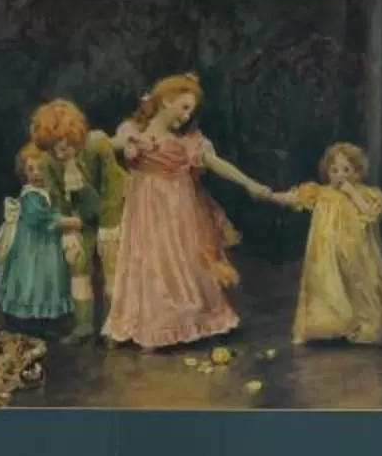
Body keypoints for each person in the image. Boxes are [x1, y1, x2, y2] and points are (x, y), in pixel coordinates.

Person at [106, 73, 269, 351]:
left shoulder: (188, 141)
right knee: (149, 260)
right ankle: (150, 323)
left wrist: (250, 184)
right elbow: (110, 144)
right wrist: (131, 142)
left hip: (178, 209)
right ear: (166, 101)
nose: (186, 116)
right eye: (183, 107)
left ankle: (185, 319)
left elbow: (215, 163)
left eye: (190, 111)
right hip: (145, 210)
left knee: (180, 258)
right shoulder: (133, 129)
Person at [276, 142, 382, 347]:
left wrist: (352, 193)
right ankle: (330, 326)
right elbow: (295, 197)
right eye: (334, 170)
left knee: (358, 285)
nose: (340, 175)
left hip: (355, 251)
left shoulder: (366, 194)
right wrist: (270, 195)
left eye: (346, 170)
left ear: (357, 172)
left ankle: (365, 326)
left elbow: (371, 214)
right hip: (326, 252)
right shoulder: (321, 193)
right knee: (327, 287)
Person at [28, 98, 127, 336]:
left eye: (63, 145)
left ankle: (115, 326)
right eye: (53, 148)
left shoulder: (97, 146)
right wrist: (69, 232)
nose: (59, 153)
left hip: (115, 213)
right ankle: (83, 326)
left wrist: (109, 226)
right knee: (78, 265)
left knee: (113, 266)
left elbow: (113, 188)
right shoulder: (50, 162)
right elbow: (57, 197)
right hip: (83, 218)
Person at [0, 146, 74, 332]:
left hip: (48, 244)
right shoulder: (30, 195)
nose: (36, 174)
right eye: (30, 169)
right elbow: (41, 218)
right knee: (31, 279)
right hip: (31, 247)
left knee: (48, 280)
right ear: (24, 172)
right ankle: (26, 320)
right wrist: (71, 221)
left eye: (41, 168)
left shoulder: (50, 191)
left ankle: (43, 320)